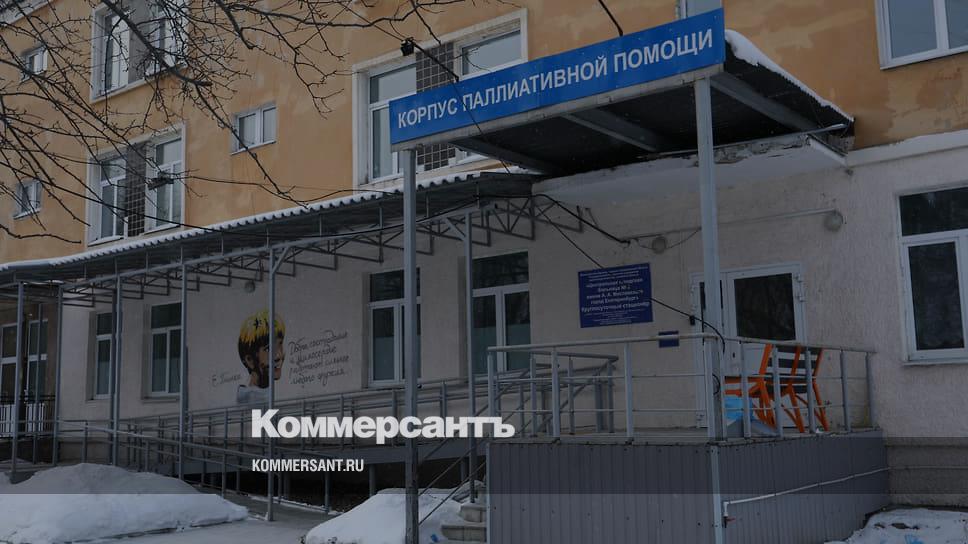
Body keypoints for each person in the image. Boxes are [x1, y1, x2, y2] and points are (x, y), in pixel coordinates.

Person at [236, 310, 286, 404]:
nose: (279, 355)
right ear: (250, 360)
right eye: (268, 349)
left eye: (280, 344)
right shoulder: (252, 399)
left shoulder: (268, 394)